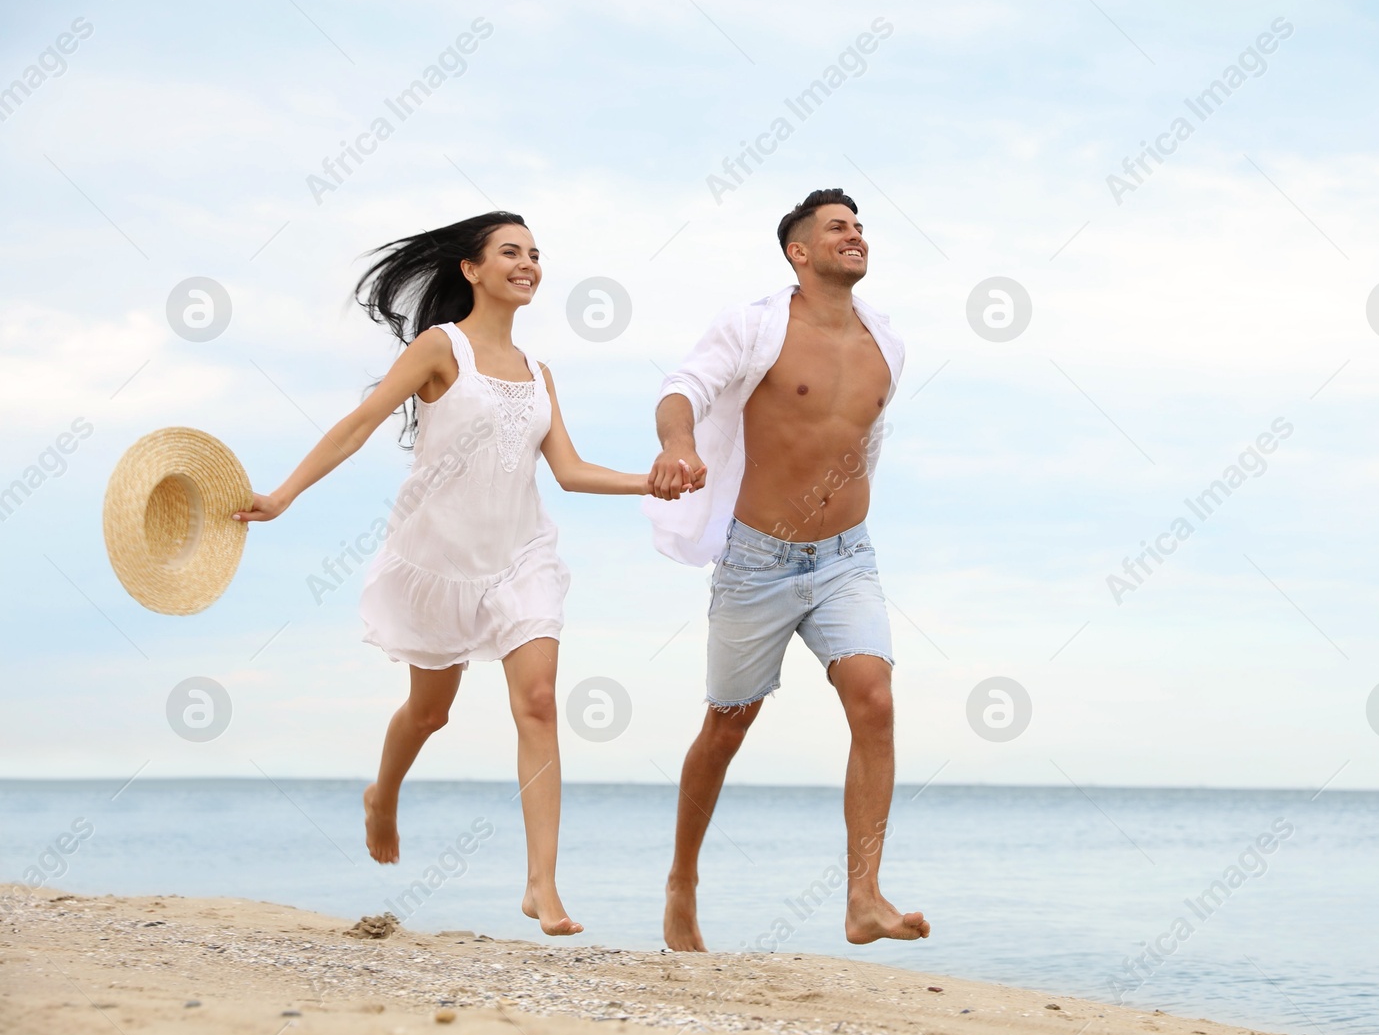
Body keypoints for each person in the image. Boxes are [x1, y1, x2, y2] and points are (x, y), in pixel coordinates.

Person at [234, 211, 694, 935]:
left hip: (520, 556)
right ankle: (381, 794)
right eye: (510, 251)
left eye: (536, 253)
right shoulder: (439, 347)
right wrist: (283, 495)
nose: (528, 263)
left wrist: (651, 481)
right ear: (471, 270)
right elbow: (359, 424)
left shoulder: (540, 373)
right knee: (430, 712)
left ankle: (540, 884)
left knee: (538, 701)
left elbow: (567, 472)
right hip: (438, 559)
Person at [643, 187, 928, 950]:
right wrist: (679, 446)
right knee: (728, 725)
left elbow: (859, 444)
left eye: (861, 226)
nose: (855, 235)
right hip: (757, 558)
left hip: (848, 555)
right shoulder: (755, 324)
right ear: (798, 251)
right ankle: (682, 880)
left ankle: (863, 895)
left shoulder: (887, 344)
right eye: (838, 227)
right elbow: (683, 390)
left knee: (874, 699)